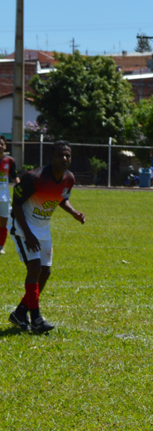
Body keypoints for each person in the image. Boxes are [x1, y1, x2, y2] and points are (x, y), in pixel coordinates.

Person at [7, 141, 85, 334]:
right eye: (60, 155)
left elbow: (61, 198)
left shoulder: (69, 179)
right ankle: (36, 320)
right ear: (51, 158)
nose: (64, 158)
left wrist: (73, 212)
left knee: (46, 272)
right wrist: (28, 234)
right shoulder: (35, 177)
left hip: (42, 227)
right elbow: (16, 205)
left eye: (67, 155)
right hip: (22, 224)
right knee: (34, 268)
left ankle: (20, 312)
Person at [0, 136, 18, 255]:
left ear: (5, 146)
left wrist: (21, 187)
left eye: (1, 144)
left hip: (4, 195)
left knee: (3, 222)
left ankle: (0, 246)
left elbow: (14, 176)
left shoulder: (9, 160)